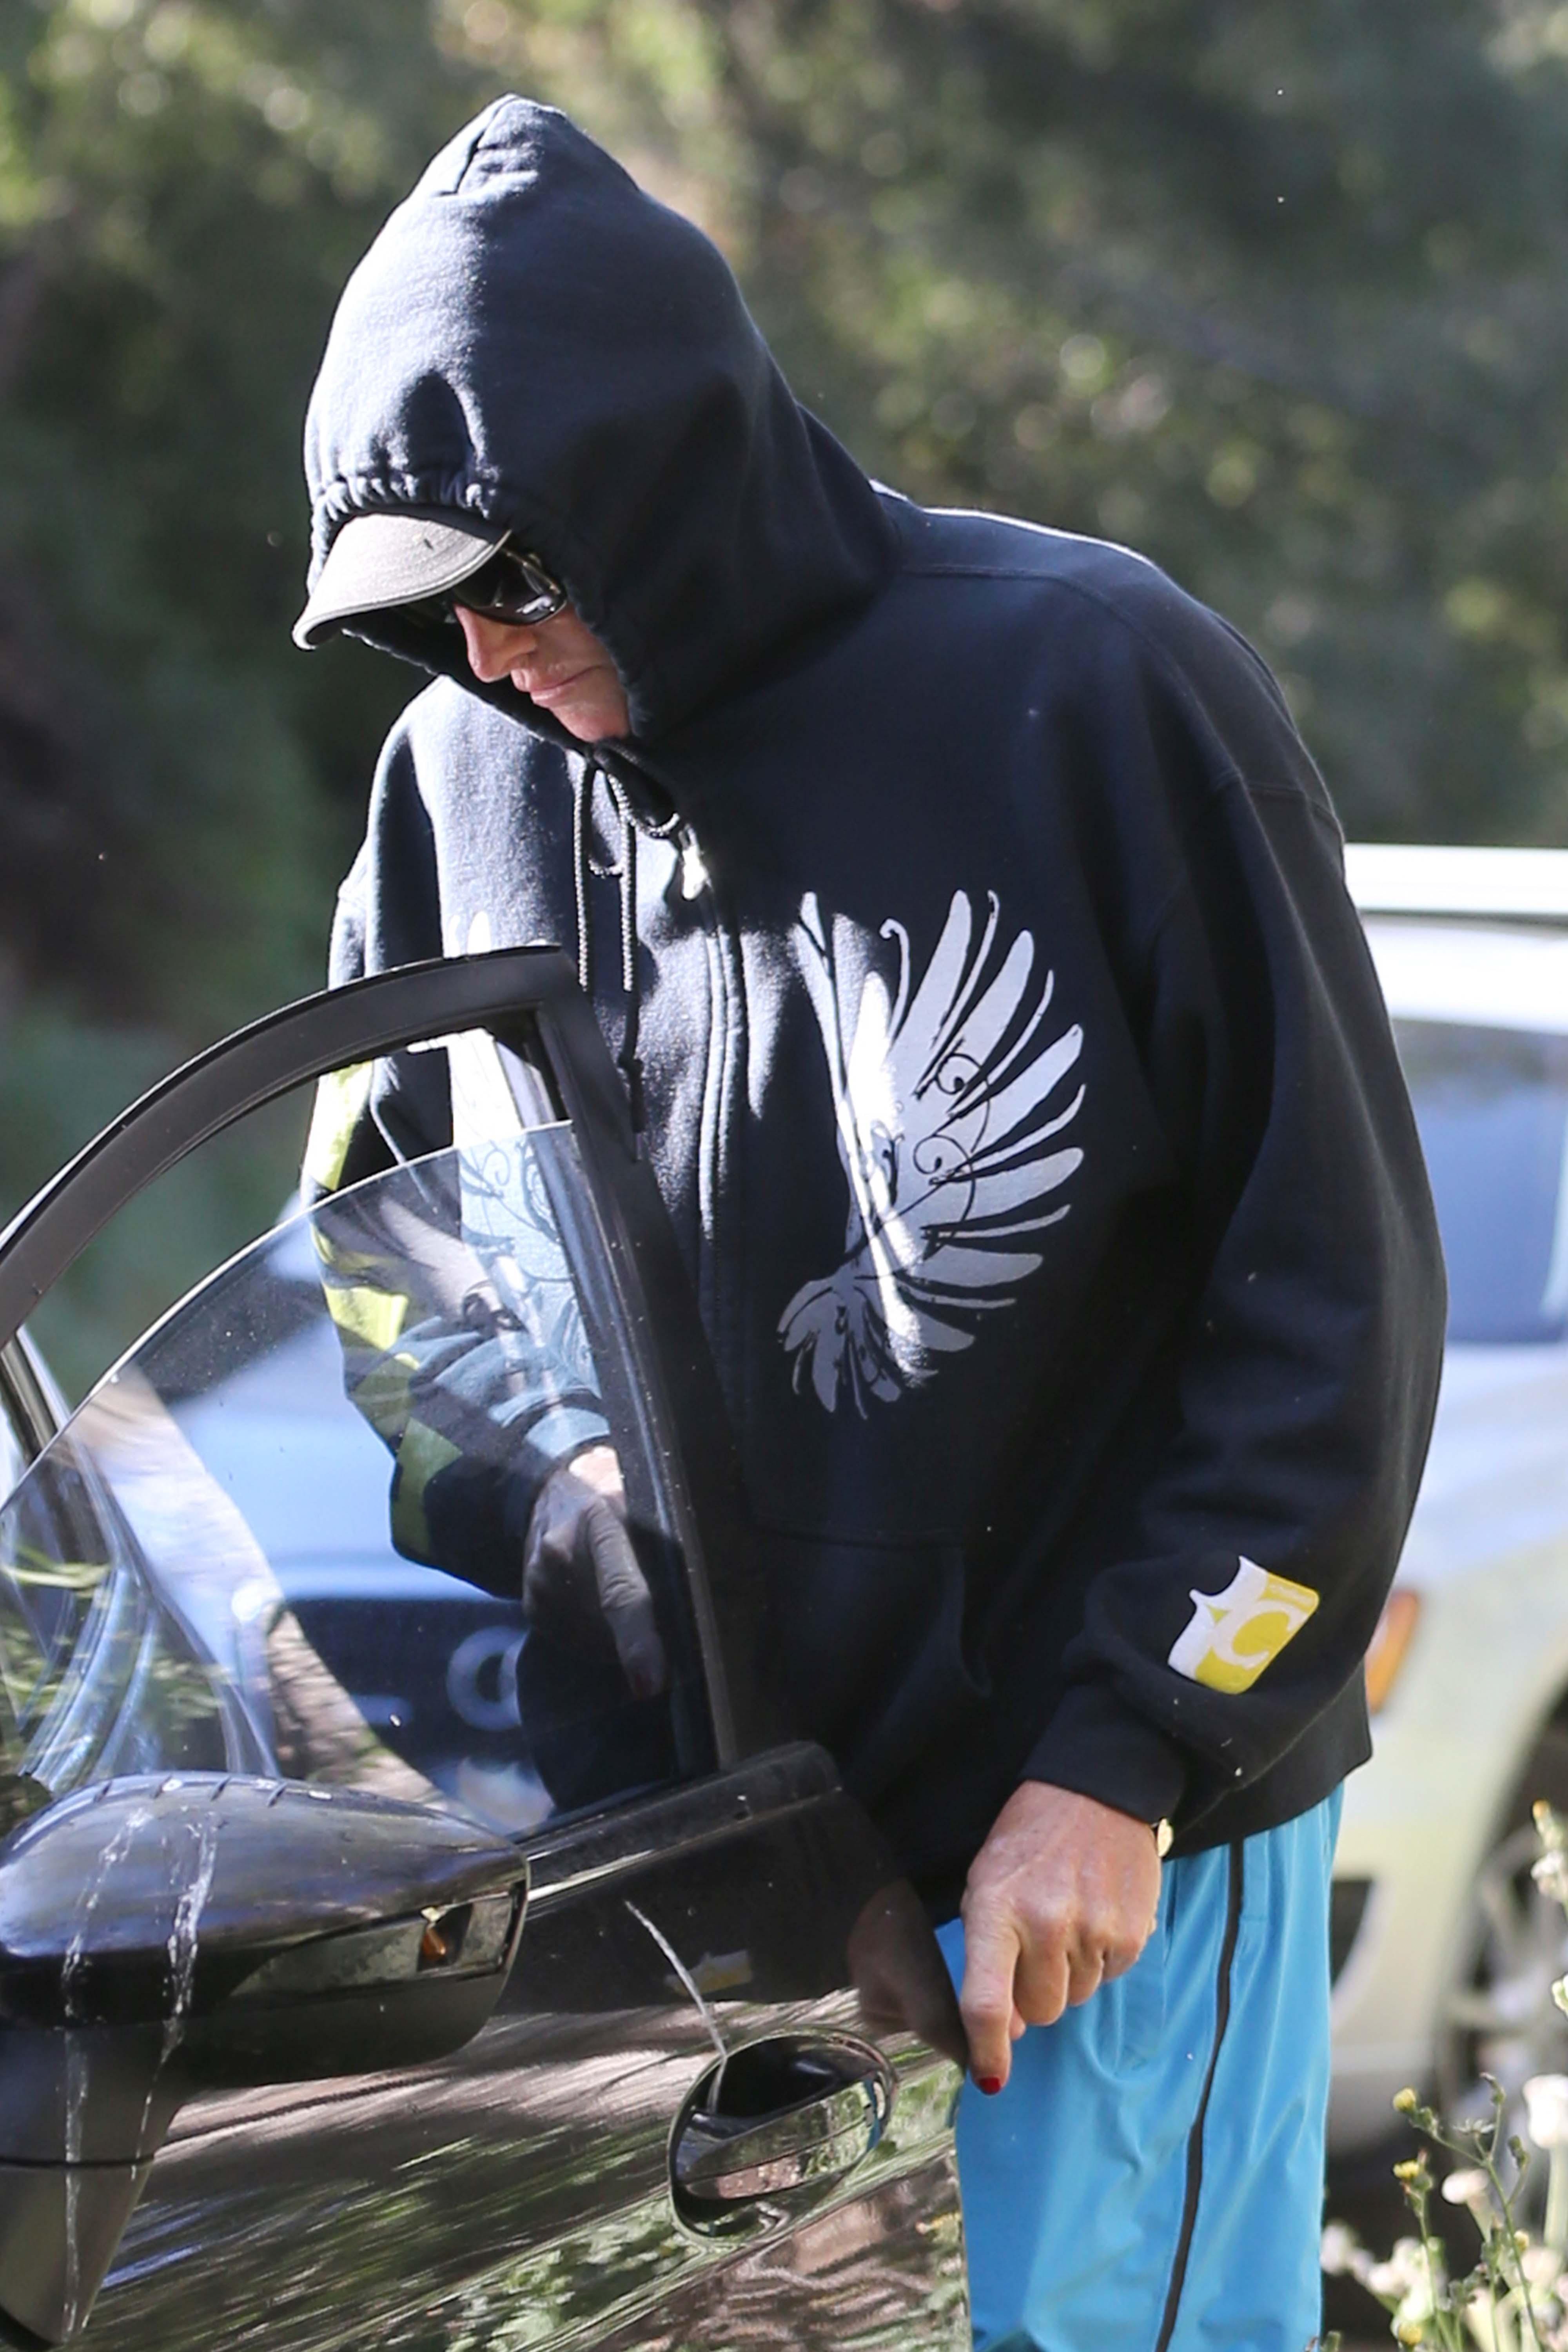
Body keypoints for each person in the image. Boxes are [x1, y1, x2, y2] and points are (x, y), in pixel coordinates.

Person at [291, 95, 1445, 2352]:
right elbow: (387, 1269)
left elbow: (1330, 1304)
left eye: (511, 579)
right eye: (420, 617)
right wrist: (558, 1501)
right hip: (699, 1902)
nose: (487, 654)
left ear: (668, 483)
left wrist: (1127, 1764)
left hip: (1094, 1879)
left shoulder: (1097, 687)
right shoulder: (461, 786)